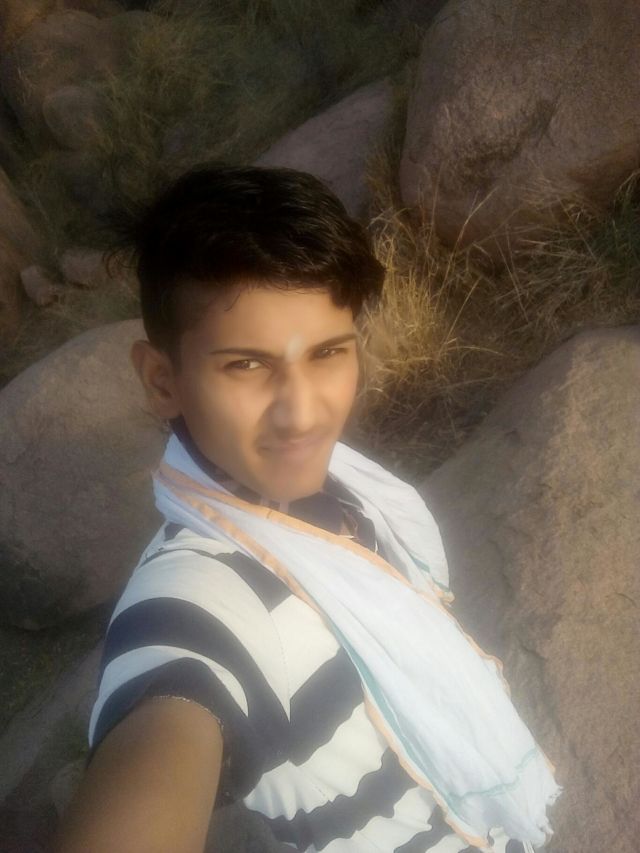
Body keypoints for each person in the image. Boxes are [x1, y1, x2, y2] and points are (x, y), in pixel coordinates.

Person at [52, 164, 560, 853]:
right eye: (247, 365)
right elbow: (166, 720)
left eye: (327, 353)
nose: (302, 413)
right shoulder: (194, 604)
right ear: (162, 380)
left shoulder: (344, 489)